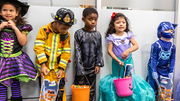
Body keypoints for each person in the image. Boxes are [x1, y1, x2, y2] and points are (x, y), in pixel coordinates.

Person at [99, 12, 155, 101]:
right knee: (118, 79)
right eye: (118, 22)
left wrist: (128, 50)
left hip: (128, 61)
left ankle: (130, 98)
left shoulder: (128, 35)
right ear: (113, 25)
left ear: (126, 24)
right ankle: (118, 98)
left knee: (129, 79)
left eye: (123, 22)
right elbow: (109, 51)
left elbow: (136, 45)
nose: (121, 24)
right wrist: (117, 60)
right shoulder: (112, 37)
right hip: (117, 62)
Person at [34, 8, 74, 101]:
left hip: (57, 70)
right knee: (46, 94)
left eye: (68, 28)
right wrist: (43, 66)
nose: (65, 31)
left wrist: (61, 69)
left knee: (60, 93)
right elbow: (38, 48)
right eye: (64, 28)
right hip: (45, 70)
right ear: (56, 22)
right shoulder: (44, 30)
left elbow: (66, 52)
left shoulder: (66, 35)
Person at [0, 0, 38, 101]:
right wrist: (1, 27)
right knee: (1, 85)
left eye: (11, 10)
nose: (8, 12)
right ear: (0, 12)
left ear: (17, 13)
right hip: (1, 61)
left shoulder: (22, 27)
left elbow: (23, 42)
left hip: (15, 60)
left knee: (15, 84)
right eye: (4, 10)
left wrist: (15, 28)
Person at [73, 7, 104, 101]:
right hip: (81, 67)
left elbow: (99, 50)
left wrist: (98, 64)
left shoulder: (98, 34)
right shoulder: (79, 33)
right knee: (80, 88)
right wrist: (79, 68)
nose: (93, 22)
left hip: (92, 68)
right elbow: (77, 51)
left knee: (91, 89)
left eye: (95, 19)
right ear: (83, 19)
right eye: (90, 19)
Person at [147, 21, 177, 99]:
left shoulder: (173, 46)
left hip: (165, 69)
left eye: (171, 31)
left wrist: (171, 71)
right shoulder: (156, 45)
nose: (170, 32)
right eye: (167, 30)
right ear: (160, 32)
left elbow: (173, 59)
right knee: (154, 87)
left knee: (165, 87)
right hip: (154, 68)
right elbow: (153, 59)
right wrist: (153, 71)